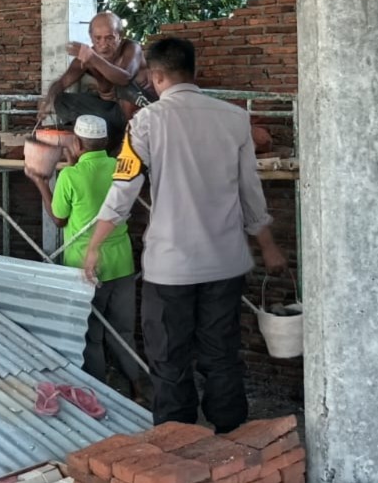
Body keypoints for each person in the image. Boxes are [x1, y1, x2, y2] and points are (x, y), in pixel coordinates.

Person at [81, 37, 286, 434]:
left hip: (170, 268)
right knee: (222, 354)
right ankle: (233, 439)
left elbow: (123, 191)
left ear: (155, 76)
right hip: (225, 264)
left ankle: (179, 443)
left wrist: (94, 245)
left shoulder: (146, 122)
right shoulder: (235, 119)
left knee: (169, 359)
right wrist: (268, 247)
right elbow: (251, 194)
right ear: (194, 71)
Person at [24, 114, 145, 402]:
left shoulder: (70, 176)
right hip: (122, 261)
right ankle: (139, 389)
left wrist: (41, 182)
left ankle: (97, 393)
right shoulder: (119, 166)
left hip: (86, 265)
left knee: (91, 334)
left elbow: (59, 219)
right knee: (123, 331)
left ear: (77, 143)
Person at [39, 12, 156, 150]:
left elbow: (125, 78)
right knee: (61, 100)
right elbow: (62, 83)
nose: (103, 44)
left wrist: (93, 58)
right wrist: (48, 101)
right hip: (112, 114)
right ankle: (104, 136)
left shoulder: (131, 48)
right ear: (91, 37)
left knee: (122, 87)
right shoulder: (87, 57)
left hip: (142, 114)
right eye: (98, 38)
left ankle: (127, 139)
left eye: (110, 38)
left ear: (120, 36)